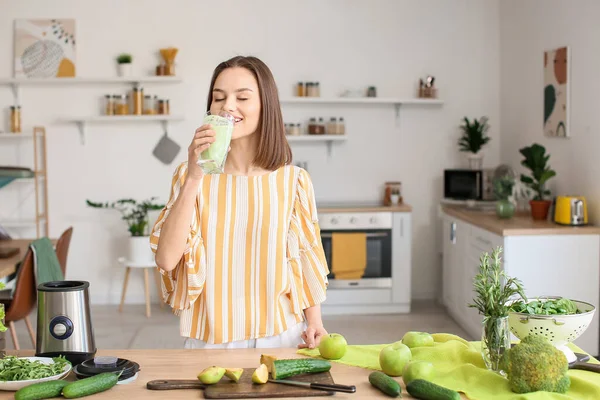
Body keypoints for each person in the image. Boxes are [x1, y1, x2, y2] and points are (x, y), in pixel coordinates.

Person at [150, 56, 330, 350]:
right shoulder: (189, 176)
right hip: (209, 341)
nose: (227, 106)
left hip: (281, 337)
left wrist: (316, 324)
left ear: (265, 106)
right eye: (218, 97)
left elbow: (305, 260)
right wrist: (195, 176)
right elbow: (166, 259)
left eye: (242, 97)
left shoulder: (294, 181)